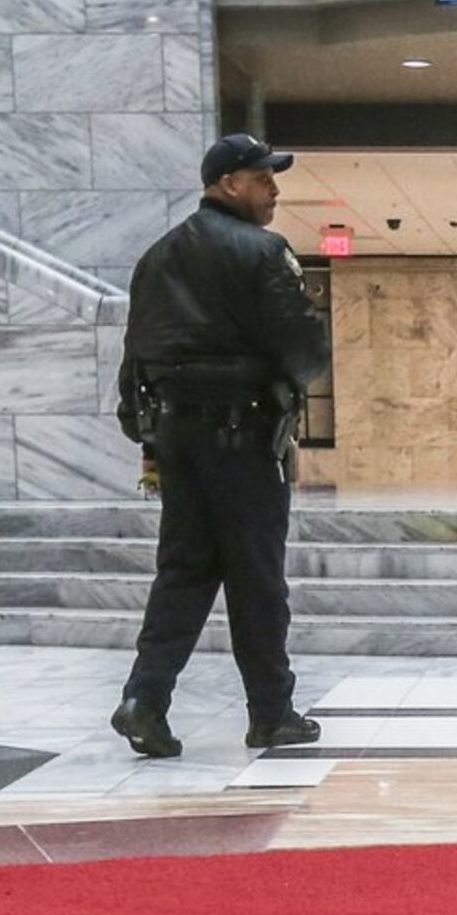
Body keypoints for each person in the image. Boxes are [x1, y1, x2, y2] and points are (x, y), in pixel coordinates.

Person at [106, 133, 330, 759]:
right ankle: (271, 714)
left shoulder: (157, 256)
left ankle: (144, 700)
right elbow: (304, 349)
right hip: (244, 436)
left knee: (182, 571)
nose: (274, 190)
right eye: (263, 179)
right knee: (256, 577)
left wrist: (144, 432)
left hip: (178, 437)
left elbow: (135, 354)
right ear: (229, 183)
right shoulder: (260, 252)